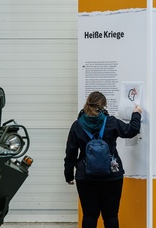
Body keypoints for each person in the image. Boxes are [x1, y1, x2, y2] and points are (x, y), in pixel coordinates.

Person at [64, 91, 142, 228]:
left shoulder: (77, 125)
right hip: (112, 175)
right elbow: (131, 130)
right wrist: (136, 113)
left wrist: (68, 175)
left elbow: (70, 153)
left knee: (89, 215)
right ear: (103, 106)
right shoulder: (111, 122)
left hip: (85, 177)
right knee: (111, 216)